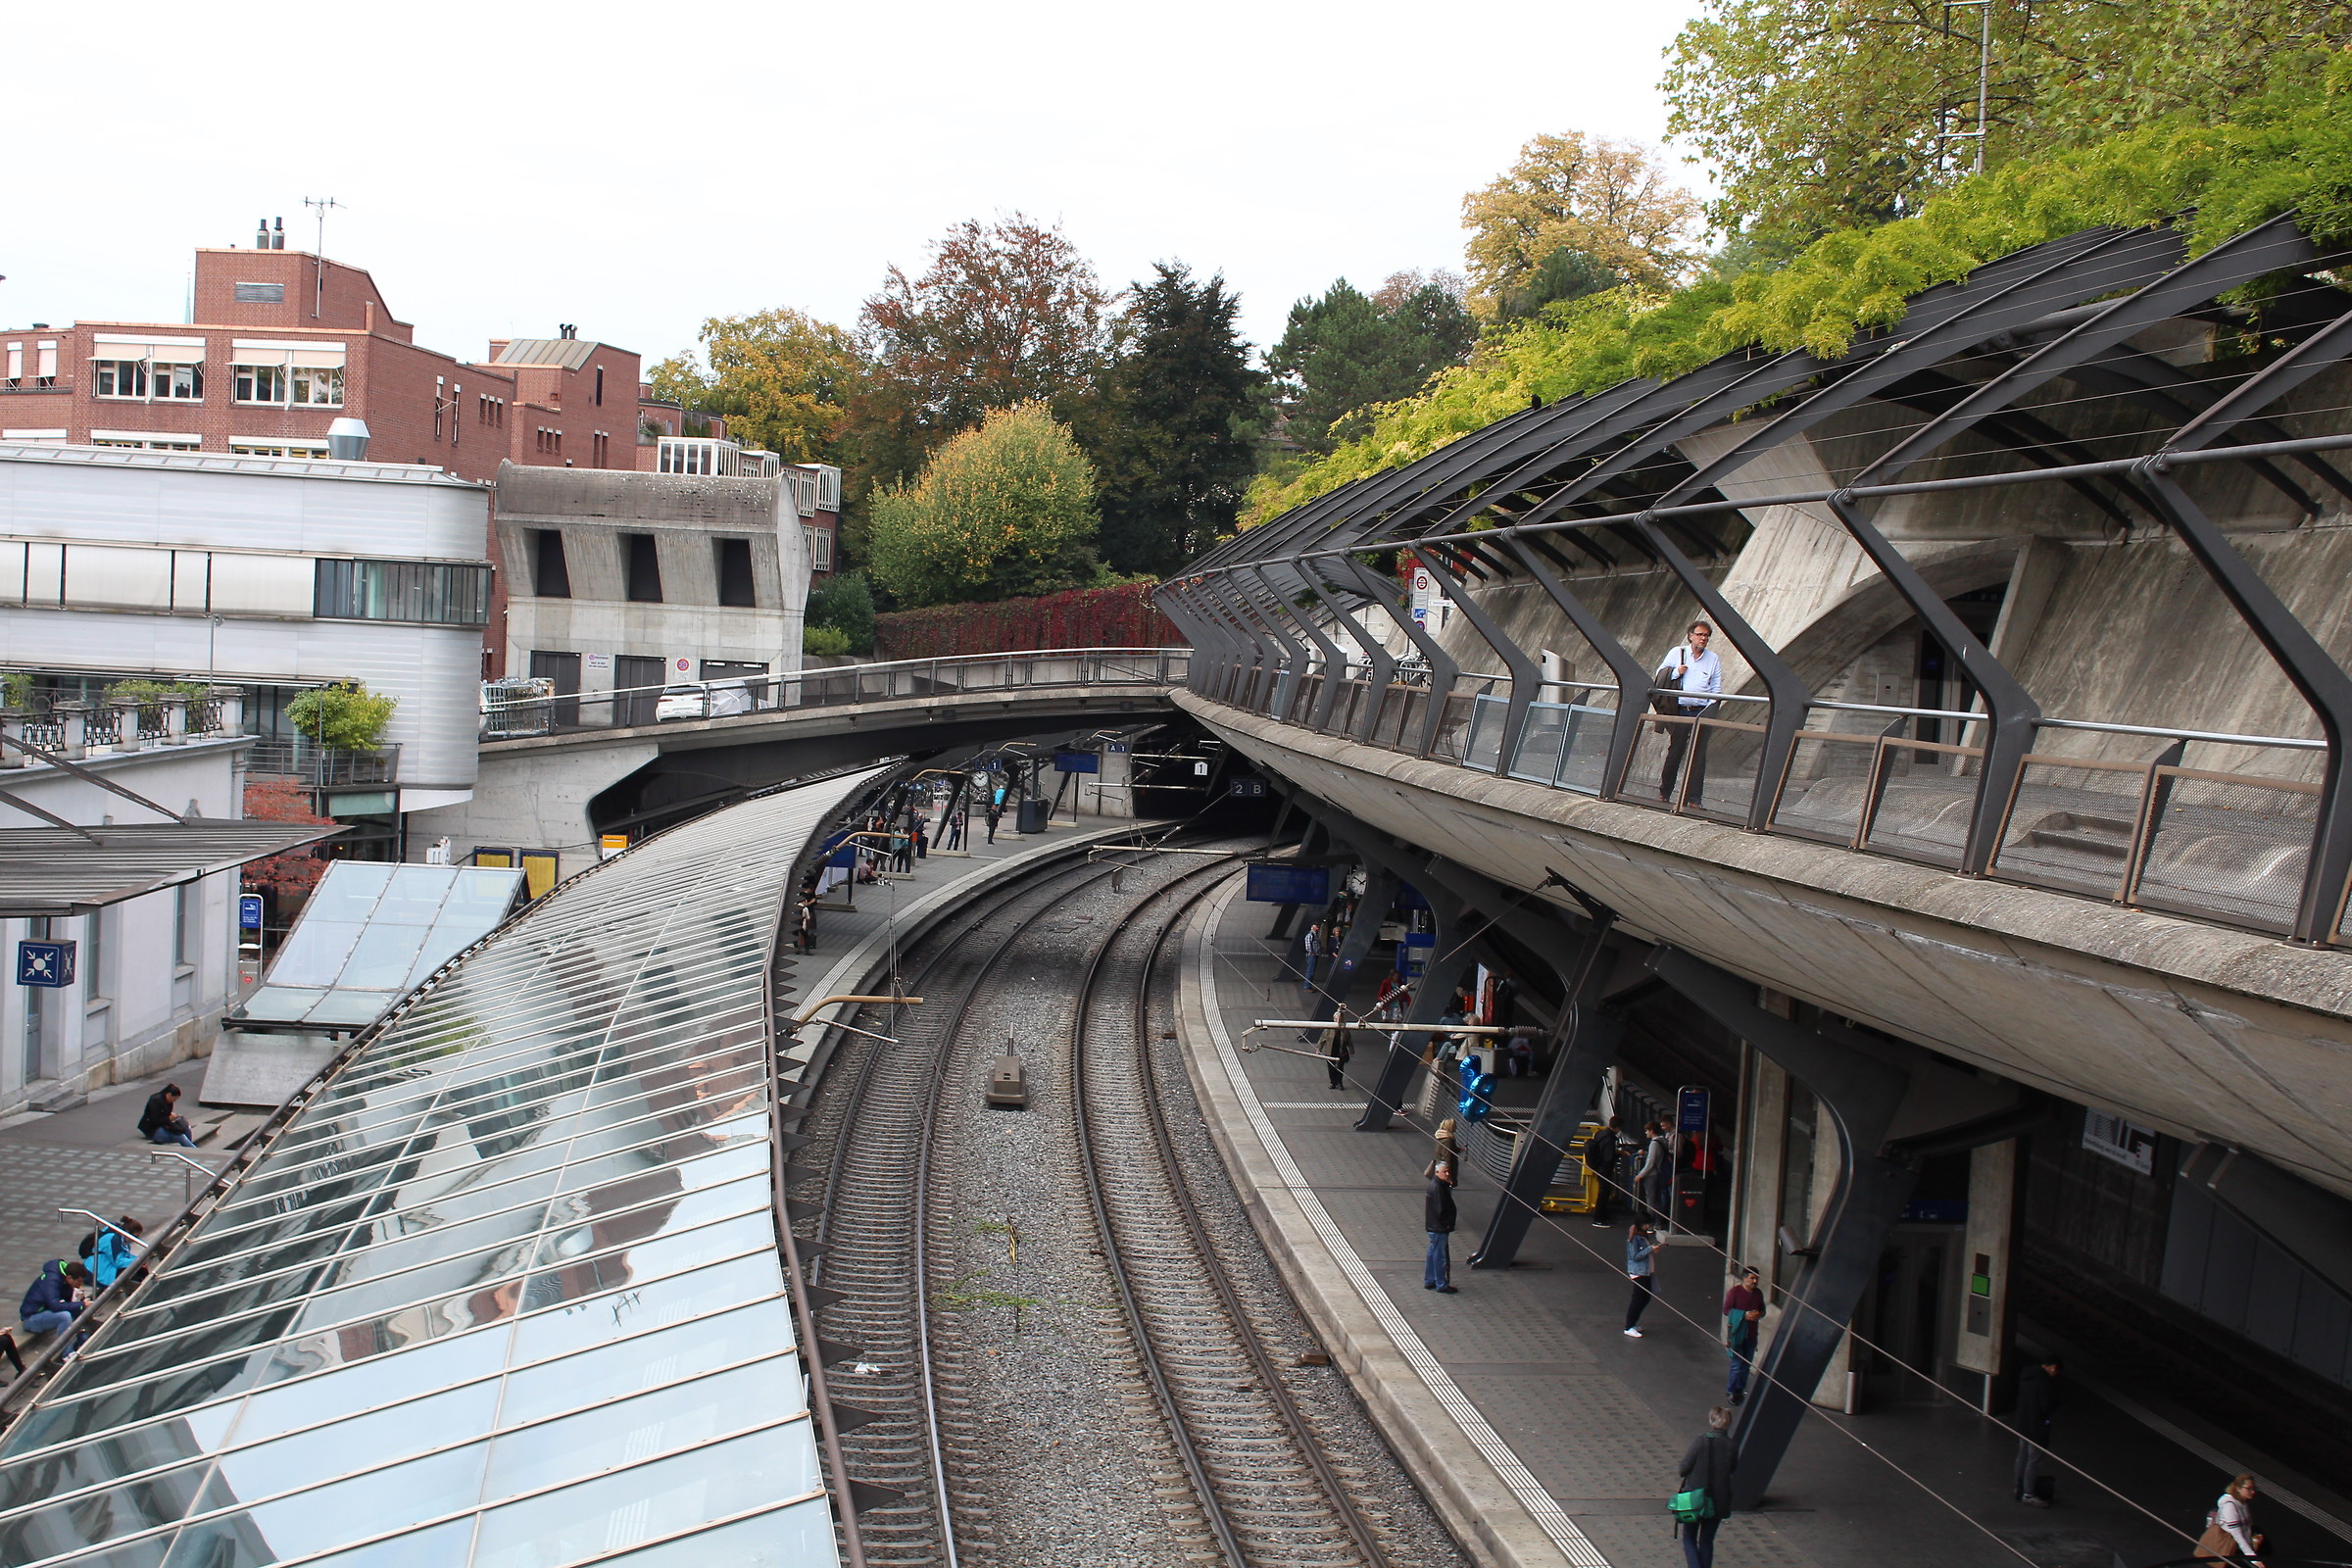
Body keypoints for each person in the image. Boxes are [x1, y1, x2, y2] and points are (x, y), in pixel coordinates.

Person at [1655, 619, 1723, 805]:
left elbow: (1716, 688)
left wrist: (1709, 708)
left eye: (1706, 636)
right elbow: (1660, 675)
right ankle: (1665, 792)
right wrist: (1677, 672)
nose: (1703, 638)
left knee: (1699, 756)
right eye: (1700, 634)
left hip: (1701, 711)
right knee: (1675, 752)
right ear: (1690, 636)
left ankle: (1694, 799)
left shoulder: (1713, 659)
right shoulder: (1678, 653)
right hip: (1680, 710)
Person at [1675, 1405, 1740, 1568]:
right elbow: (1732, 1469)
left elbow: (1683, 1468)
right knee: (1706, 1540)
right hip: (1719, 1500)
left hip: (1695, 1499)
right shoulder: (1732, 1445)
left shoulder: (1701, 1441)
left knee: (1689, 1537)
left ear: (1711, 1421)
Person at [2013, 1354, 2064, 1505]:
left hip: (2022, 1423)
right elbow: (2046, 1406)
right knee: (2034, 1460)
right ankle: (2028, 1494)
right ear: (2054, 1367)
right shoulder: (2044, 1382)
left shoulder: (2027, 1376)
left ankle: (2019, 1487)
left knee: (2021, 1456)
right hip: (2036, 1426)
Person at [2196, 1474, 2264, 1562]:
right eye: (2249, 1488)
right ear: (2238, 1488)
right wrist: (2252, 1558)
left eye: (2254, 1488)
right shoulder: (2230, 1506)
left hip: (2239, 1547)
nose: (2253, 1491)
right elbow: (2237, 1534)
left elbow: (2245, 1528)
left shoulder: (2243, 1503)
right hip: (2229, 1546)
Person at [20, 1257, 91, 1340]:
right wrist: (81, 1304)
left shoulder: (65, 1280)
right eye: (79, 1281)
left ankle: (80, 1335)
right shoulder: (52, 1281)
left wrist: (79, 1299)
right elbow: (55, 1305)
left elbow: (67, 1303)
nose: (80, 1284)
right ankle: (66, 1351)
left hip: (47, 1312)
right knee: (65, 1316)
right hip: (31, 1318)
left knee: (74, 1309)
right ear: (69, 1278)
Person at [1724, 1267, 1765, 1404]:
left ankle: (1739, 1390)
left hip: (1751, 1335)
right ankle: (1731, 1390)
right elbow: (1726, 1310)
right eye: (1752, 1278)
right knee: (1737, 1364)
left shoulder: (1758, 1293)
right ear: (1745, 1278)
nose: (1755, 1281)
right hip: (1737, 1334)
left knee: (1746, 1365)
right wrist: (1744, 1315)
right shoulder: (1734, 1292)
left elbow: (1762, 1310)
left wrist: (1758, 1314)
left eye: (1756, 1278)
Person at [1424, 1159, 1458, 1293]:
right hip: (1439, 1228)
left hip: (1433, 1227)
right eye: (1445, 1171)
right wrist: (1448, 1224)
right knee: (1440, 1256)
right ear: (1437, 1172)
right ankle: (1441, 1284)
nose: (1447, 1174)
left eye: (1448, 1171)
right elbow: (1441, 1209)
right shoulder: (1439, 1188)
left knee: (1433, 1253)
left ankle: (1430, 1280)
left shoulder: (1435, 1185)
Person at [1586, 1116, 1622, 1228]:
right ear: (1618, 1127)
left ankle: (1602, 1215)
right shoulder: (1610, 1139)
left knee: (1603, 1193)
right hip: (1604, 1170)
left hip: (1598, 1167)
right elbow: (1608, 1158)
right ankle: (1599, 1218)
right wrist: (1618, 1154)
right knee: (1603, 1193)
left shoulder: (1600, 1133)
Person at [88, 1217, 144, 1290]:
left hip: (106, 1268)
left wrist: (140, 1260)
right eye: (135, 1237)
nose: (135, 1240)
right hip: (97, 1272)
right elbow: (118, 1262)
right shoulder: (113, 1239)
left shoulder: (122, 1240)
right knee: (133, 1273)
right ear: (127, 1232)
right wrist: (139, 1261)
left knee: (141, 1270)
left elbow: (126, 1256)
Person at [1624, 1222, 1658, 1337]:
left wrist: (1651, 1249)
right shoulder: (1635, 1239)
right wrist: (1650, 1249)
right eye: (1646, 1224)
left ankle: (1632, 1324)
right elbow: (1635, 1256)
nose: (1648, 1226)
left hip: (1646, 1271)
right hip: (1639, 1272)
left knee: (1645, 1298)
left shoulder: (1643, 1236)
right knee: (1638, 1299)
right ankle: (1628, 1326)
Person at [1636, 1120, 1673, 1224]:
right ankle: (1658, 1222)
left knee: (1651, 1201)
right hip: (1660, 1173)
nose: (1646, 1133)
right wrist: (1646, 1153)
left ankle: (1650, 1223)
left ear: (1652, 1131)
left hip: (1652, 1175)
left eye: (1647, 1131)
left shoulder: (1654, 1143)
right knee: (1657, 1200)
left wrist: (1640, 1175)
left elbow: (1650, 1163)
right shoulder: (1663, 1141)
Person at [139, 1084, 196, 1149]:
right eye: (174, 1099)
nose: (174, 1101)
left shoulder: (168, 1102)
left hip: (164, 1125)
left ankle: (188, 1148)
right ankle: (194, 1150)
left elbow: (166, 1114)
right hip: (153, 1129)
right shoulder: (155, 1101)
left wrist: (171, 1117)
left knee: (187, 1128)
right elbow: (153, 1120)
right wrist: (169, 1118)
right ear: (169, 1095)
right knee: (180, 1137)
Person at [1323, 1025, 1351, 1091]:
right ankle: (1333, 1082)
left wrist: (1351, 1050)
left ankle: (1339, 1083)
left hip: (1340, 1052)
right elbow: (1323, 1038)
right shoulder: (1329, 1029)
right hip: (1330, 1051)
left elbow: (1349, 1040)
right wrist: (1319, 1048)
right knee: (1331, 1068)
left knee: (1340, 1067)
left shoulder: (1345, 1030)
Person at [1300, 921, 1324, 989]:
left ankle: (1309, 984)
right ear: (1313, 927)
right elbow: (1308, 945)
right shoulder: (1310, 935)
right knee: (1310, 970)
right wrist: (1312, 952)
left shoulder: (1315, 935)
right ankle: (1307, 986)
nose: (1318, 928)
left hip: (1315, 954)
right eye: (1317, 926)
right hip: (1312, 955)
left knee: (1311, 970)